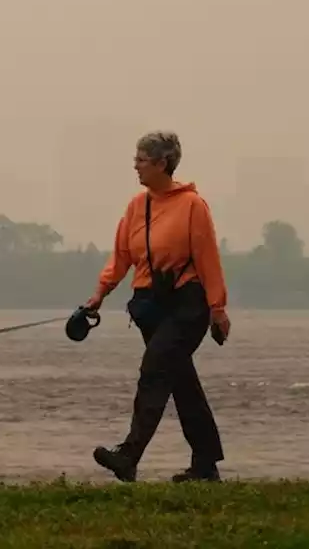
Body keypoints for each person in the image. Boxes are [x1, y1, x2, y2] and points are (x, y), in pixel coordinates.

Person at [83, 130, 231, 483]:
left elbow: (207, 257)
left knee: (155, 369)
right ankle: (206, 464)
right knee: (180, 381)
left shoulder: (193, 206)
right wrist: (99, 293)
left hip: (188, 303)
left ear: (162, 163)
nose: (135, 166)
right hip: (150, 307)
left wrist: (217, 308)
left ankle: (129, 455)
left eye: (141, 160)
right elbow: (121, 255)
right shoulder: (137, 205)